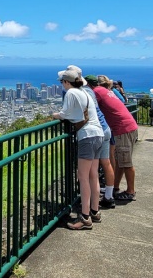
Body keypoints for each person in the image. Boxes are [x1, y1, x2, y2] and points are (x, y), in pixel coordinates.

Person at [52, 69, 103, 229]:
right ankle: (95, 211)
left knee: (83, 177)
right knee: (93, 175)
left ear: (67, 82)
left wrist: (55, 115)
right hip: (98, 134)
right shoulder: (85, 92)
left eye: (62, 82)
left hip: (87, 136)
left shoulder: (72, 93)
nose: (62, 85)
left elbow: (65, 114)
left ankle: (85, 217)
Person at [66, 65, 116, 209]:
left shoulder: (75, 93)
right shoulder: (90, 92)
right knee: (99, 169)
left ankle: (86, 214)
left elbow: (70, 113)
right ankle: (107, 198)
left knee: (84, 176)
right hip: (103, 129)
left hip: (90, 134)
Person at [88, 75, 139, 202]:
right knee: (120, 160)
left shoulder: (97, 92)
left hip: (123, 129)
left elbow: (90, 108)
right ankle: (115, 187)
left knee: (126, 162)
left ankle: (130, 191)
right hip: (128, 126)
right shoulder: (107, 91)